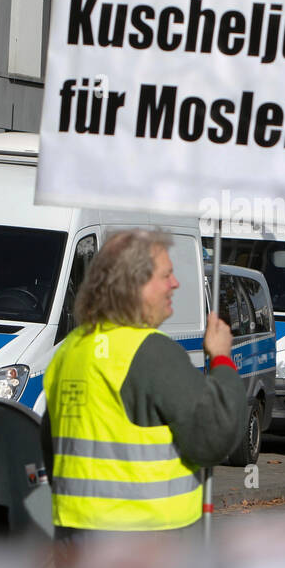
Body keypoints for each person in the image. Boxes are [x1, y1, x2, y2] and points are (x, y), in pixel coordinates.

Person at [43, 229, 244, 540]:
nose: (175, 284)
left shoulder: (70, 350)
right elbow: (214, 438)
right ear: (135, 285)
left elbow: (52, 446)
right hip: (145, 544)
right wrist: (221, 360)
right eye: (166, 275)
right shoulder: (152, 353)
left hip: (75, 538)